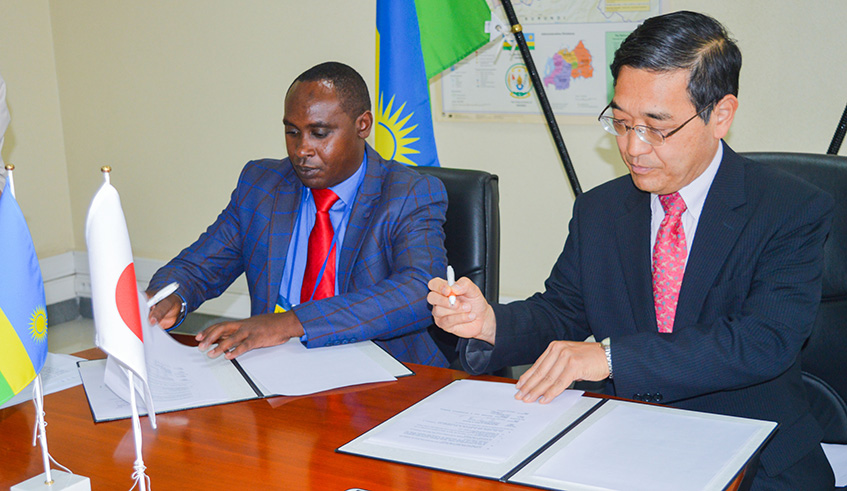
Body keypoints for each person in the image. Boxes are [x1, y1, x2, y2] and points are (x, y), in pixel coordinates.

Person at [428, 11, 834, 489]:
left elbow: (762, 341)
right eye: (621, 123)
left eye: (656, 127)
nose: (633, 148)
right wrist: (491, 322)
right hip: (624, 440)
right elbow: (564, 310)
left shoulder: (790, 208)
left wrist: (610, 356)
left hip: (755, 453)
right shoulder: (600, 210)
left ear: (720, 115)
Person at [147, 61, 449, 367]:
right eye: (292, 132)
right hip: (277, 373)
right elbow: (198, 267)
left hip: (384, 377)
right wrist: (166, 299)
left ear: (363, 125)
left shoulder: (409, 193)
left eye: (319, 133)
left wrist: (291, 323)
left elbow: (418, 290)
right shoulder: (262, 185)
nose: (302, 149)